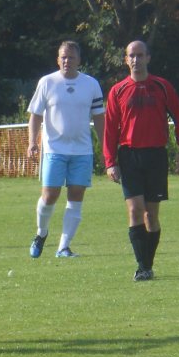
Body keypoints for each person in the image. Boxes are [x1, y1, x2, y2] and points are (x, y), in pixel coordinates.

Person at [103, 40, 179, 281]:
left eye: (140, 55)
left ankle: (147, 264)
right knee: (135, 210)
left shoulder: (162, 87)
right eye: (131, 55)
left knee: (151, 215)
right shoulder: (118, 91)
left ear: (148, 58)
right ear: (126, 59)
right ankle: (142, 267)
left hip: (156, 156)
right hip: (129, 156)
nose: (136, 60)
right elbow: (110, 129)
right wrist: (110, 161)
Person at [27, 40, 105, 258]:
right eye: (63, 57)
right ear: (57, 59)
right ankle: (41, 233)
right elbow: (35, 115)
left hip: (82, 151)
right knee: (50, 195)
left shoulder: (91, 84)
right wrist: (33, 142)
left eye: (71, 57)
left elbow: (99, 117)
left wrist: (105, 145)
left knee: (76, 195)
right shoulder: (47, 82)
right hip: (53, 150)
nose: (66, 61)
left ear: (79, 60)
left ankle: (64, 246)